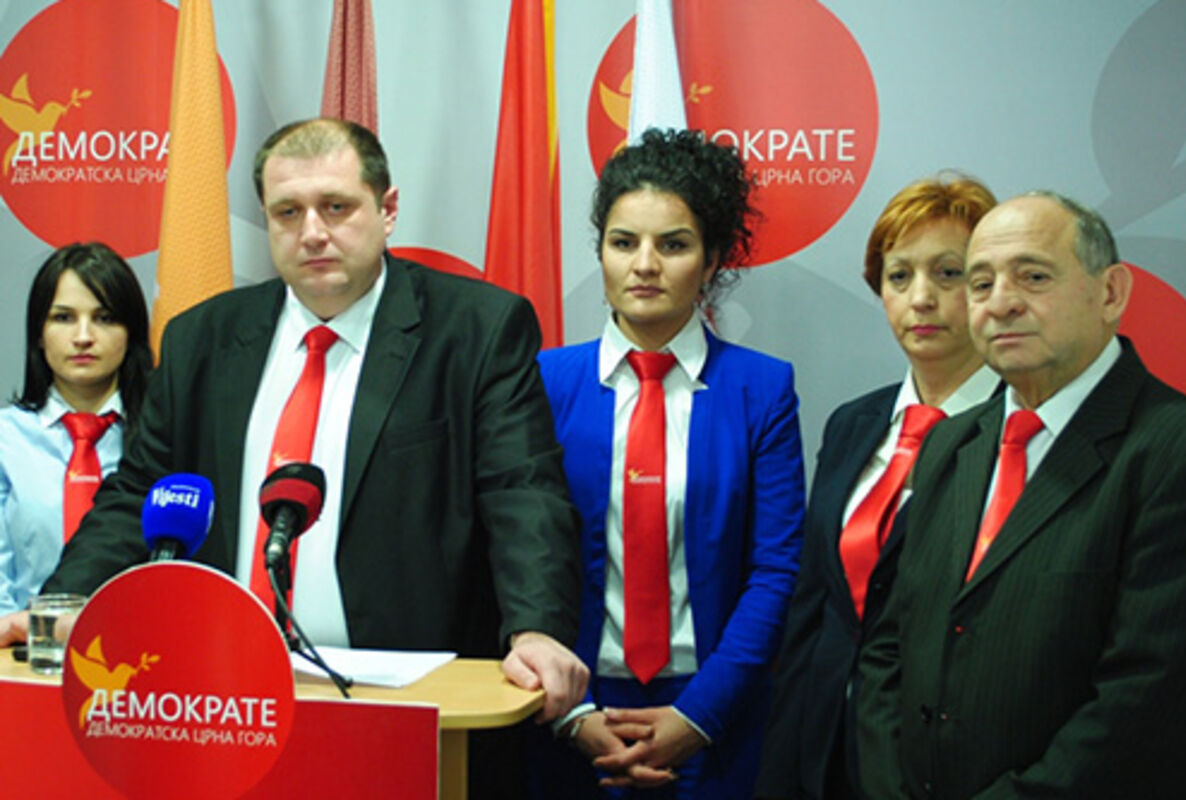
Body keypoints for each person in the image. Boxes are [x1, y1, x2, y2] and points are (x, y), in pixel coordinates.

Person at [0, 120, 587, 745]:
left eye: (336, 207)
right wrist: (63, 602)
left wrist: (536, 629)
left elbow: (521, 491)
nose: (312, 232)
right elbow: (138, 490)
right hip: (222, 698)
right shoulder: (203, 338)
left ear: (387, 210)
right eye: (288, 212)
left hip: (411, 703)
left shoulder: (475, 329)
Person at [856, 192, 1186, 798]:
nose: (1001, 302)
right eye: (981, 284)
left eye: (1033, 277)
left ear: (1111, 293)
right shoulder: (950, 444)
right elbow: (890, 645)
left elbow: (1149, 692)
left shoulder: (1177, 449)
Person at [534, 128, 806, 798]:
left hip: (716, 718)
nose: (645, 265)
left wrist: (699, 715)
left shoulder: (762, 389)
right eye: (624, 242)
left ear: (712, 260)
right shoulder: (542, 382)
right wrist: (572, 714)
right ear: (601, 251)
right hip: (566, 713)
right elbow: (513, 559)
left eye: (674, 244)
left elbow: (776, 569)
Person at [756, 175, 1000, 799]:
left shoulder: (1023, 435)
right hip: (827, 743)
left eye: (948, 274)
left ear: (988, 288)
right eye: (899, 276)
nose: (921, 298)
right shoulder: (853, 423)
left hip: (944, 760)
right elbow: (813, 610)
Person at [0, 242, 151, 615]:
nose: (83, 336)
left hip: (139, 645)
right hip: (22, 643)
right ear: (39, 332)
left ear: (131, 332)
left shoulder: (159, 442)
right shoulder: (6, 440)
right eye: (64, 317)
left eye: (104, 318)